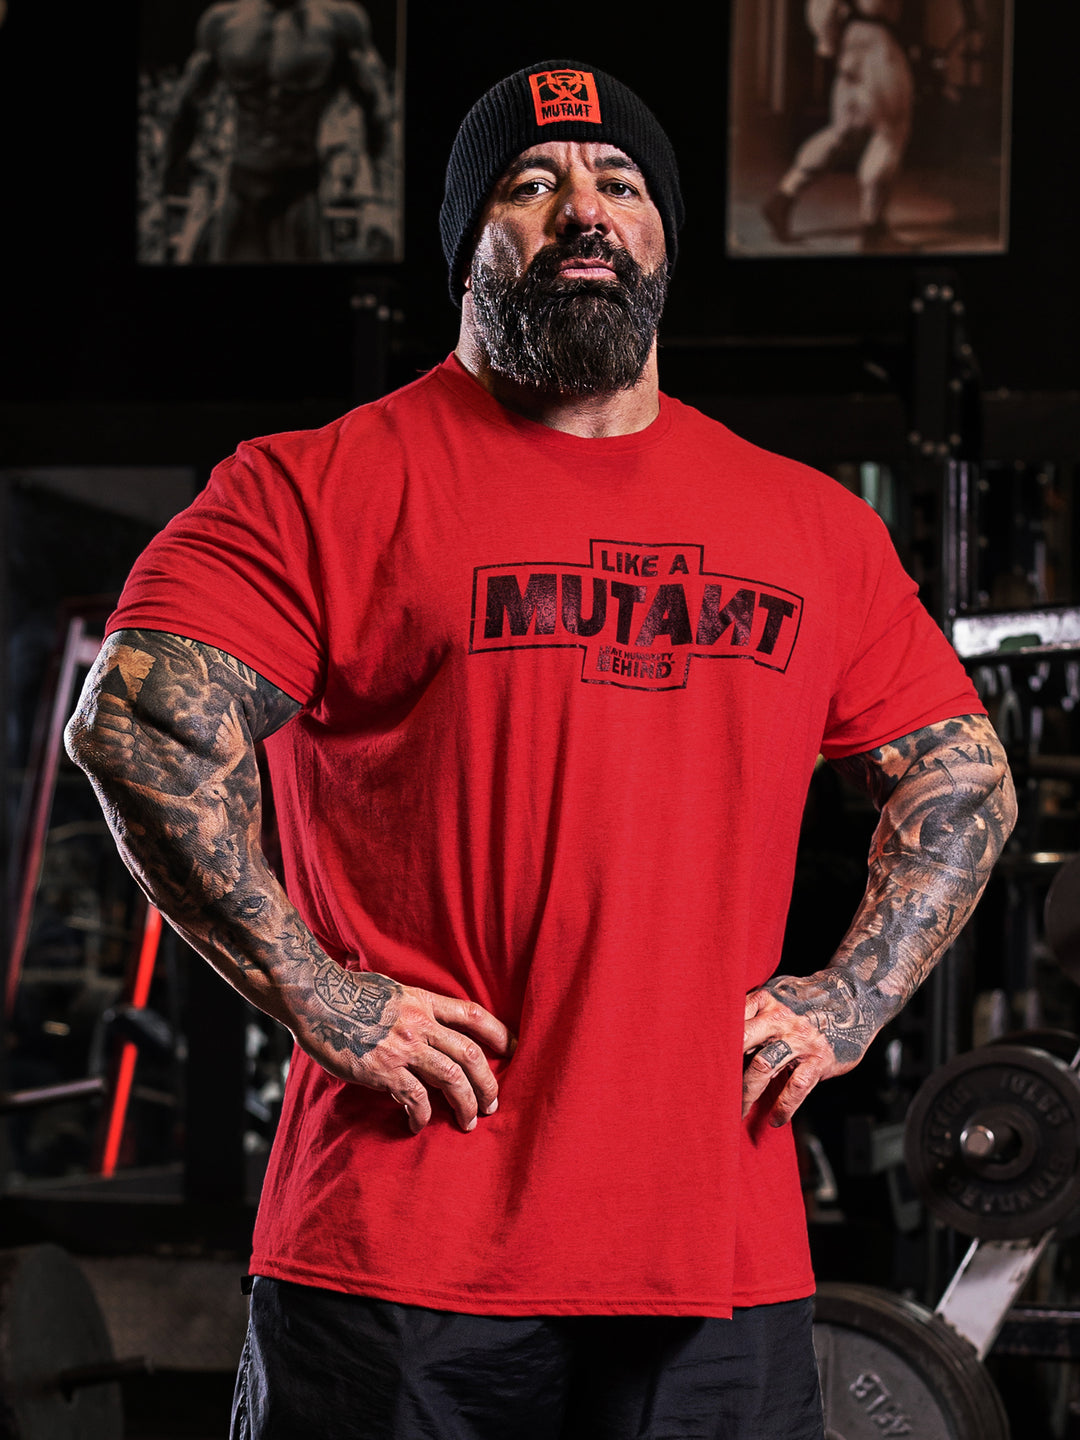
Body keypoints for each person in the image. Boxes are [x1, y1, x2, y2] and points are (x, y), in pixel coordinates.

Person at [68, 58, 1015, 1440]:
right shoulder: (317, 485)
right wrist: (325, 1000)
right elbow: (141, 720)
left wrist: (850, 1000)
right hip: (400, 1251)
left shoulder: (808, 525)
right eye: (533, 183)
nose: (584, 210)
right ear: (470, 246)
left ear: (662, 241)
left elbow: (962, 775)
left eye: (618, 183)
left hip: (714, 1256)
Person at [161, 0, 392, 262]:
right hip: (240, 190)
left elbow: (376, 111)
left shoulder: (340, 22)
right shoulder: (222, 21)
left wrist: (381, 202)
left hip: (300, 194)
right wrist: (163, 191)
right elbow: (184, 111)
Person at [762, 0, 914, 251]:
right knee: (890, 133)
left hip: (851, 47)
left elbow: (822, 8)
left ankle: (783, 198)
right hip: (877, 48)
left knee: (842, 131)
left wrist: (829, 42)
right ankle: (873, 230)